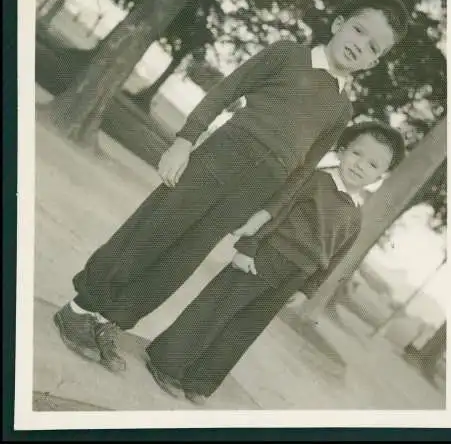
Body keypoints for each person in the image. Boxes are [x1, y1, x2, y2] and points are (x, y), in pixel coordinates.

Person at [53, 0, 410, 373]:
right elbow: (227, 91)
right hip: (217, 161)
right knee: (152, 233)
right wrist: (183, 142)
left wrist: (265, 212)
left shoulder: (342, 110)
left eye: (374, 47)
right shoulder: (288, 55)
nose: (360, 44)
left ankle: (110, 323)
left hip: (253, 192)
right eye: (358, 30)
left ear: (374, 62)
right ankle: (81, 308)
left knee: (181, 260)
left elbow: (304, 169)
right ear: (339, 24)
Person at [144, 121, 406, 404]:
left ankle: (200, 380)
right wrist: (248, 247)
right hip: (264, 257)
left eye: (373, 164)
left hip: (294, 276)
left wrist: (307, 290)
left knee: (244, 328)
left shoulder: (355, 216)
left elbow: (333, 260)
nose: (360, 165)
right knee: (216, 309)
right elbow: (275, 210)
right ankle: (167, 363)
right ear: (342, 151)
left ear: (379, 176)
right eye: (356, 153)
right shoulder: (315, 181)